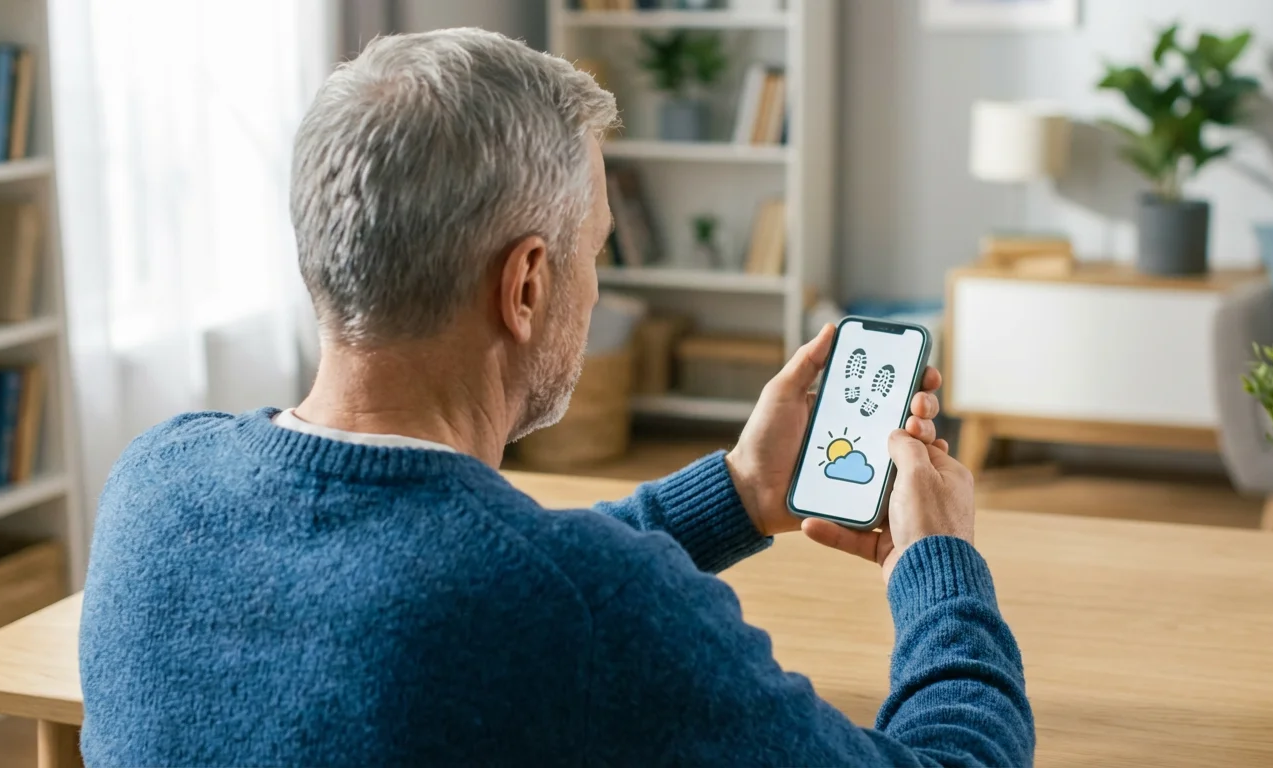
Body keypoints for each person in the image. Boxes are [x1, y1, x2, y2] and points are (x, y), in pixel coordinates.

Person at [79, 28, 1033, 767]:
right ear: (526, 284)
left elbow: (442, 581)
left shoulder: (156, 481)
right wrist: (937, 559)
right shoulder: (595, 612)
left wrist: (739, 491)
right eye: (596, 252)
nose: (599, 286)